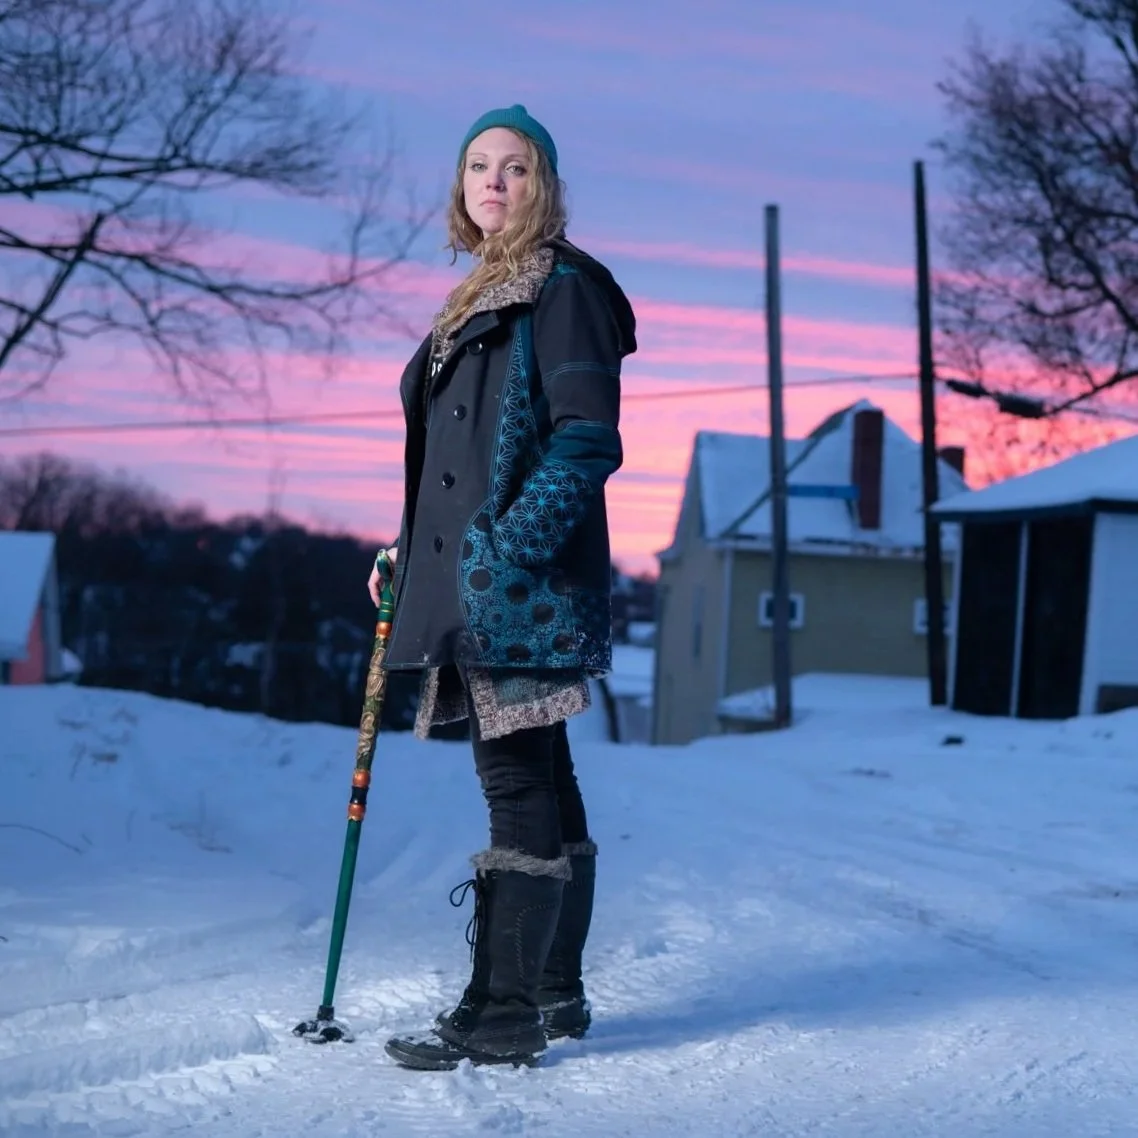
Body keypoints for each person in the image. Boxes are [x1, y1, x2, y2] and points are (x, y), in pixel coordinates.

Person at [370, 104, 636, 1071]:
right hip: (477, 582)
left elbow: (585, 440)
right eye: (479, 165)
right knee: (546, 780)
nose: (494, 182)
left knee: (515, 781)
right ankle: (555, 993)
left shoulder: (561, 290)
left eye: (516, 169)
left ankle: (503, 1012)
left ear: (545, 186)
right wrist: (411, 549)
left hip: (514, 590)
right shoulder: (479, 293)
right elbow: (460, 459)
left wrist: (503, 548)